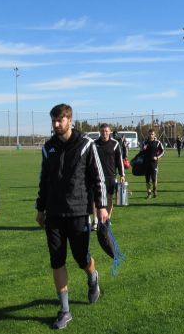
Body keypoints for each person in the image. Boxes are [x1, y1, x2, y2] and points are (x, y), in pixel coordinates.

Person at [36, 103, 107, 330]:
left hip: (78, 212)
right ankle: (65, 310)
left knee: (81, 258)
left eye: (60, 120)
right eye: (53, 121)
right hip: (54, 213)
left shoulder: (86, 144)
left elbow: (99, 178)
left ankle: (92, 276)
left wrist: (102, 206)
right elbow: (44, 180)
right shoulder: (48, 148)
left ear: (69, 119)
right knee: (56, 260)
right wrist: (40, 208)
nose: (56, 125)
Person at [95, 124, 125, 220]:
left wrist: (122, 174)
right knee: (96, 199)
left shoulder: (115, 144)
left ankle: (107, 219)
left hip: (110, 175)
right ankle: (96, 220)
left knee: (109, 198)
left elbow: (119, 160)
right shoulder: (94, 143)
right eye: (102, 131)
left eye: (106, 131)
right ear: (100, 132)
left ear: (110, 132)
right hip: (97, 176)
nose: (104, 133)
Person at [141, 129, 164, 199]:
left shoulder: (158, 142)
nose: (151, 135)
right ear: (148, 134)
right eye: (150, 134)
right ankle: (149, 193)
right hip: (146, 163)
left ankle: (155, 190)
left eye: (152, 134)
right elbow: (141, 151)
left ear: (154, 135)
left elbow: (163, 151)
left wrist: (157, 157)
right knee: (147, 180)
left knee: (154, 179)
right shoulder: (145, 142)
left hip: (154, 163)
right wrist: (143, 149)